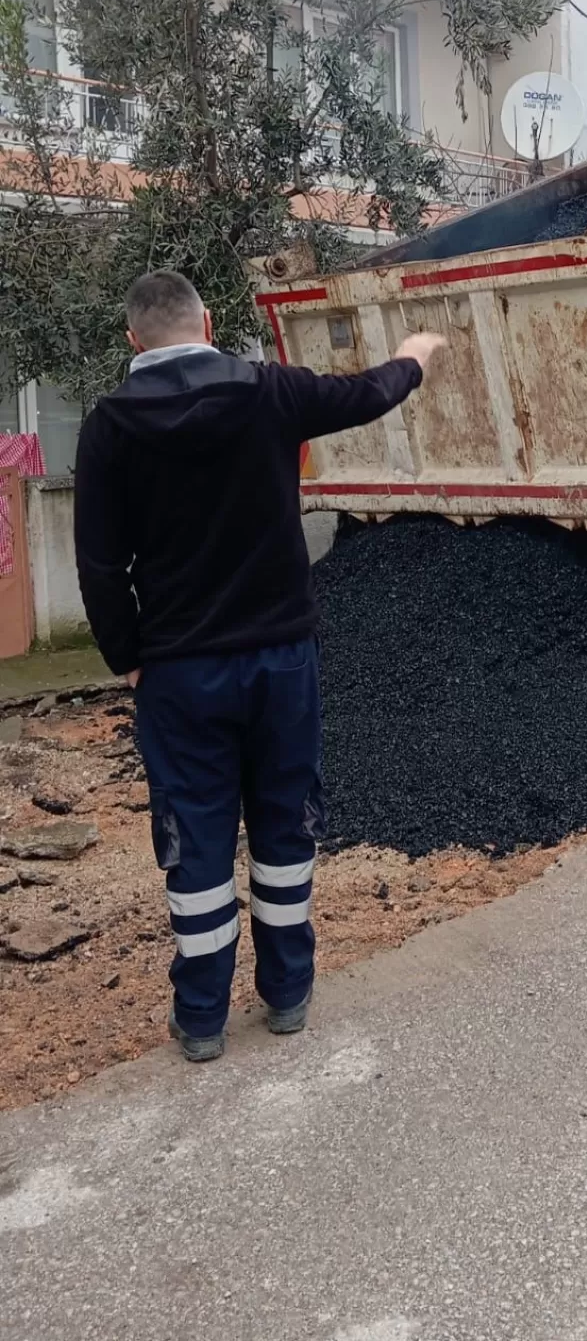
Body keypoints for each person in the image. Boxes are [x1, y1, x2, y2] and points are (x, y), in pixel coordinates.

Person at [74, 270, 444, 1060]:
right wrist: (412, 355)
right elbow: (365, 394)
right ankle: (287, 996)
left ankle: (201, 1021)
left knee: (197, 840)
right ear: (207, 322)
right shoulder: (269, 392)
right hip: (281, 660)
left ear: (134, 339)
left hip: (179, 673)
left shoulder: (109, 426)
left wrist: (128, 659)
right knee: (284, 823)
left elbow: (100, 565)